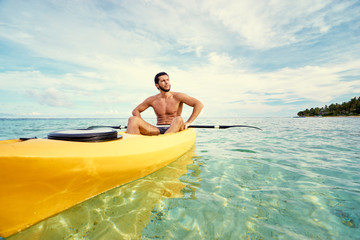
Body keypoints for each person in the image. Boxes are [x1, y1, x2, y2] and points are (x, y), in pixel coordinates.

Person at [126, 72, 203, 135]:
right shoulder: (152, 99)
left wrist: (189, 122)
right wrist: (141, 123)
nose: (166, 83)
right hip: (158, 129)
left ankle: (165, 140)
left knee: (178, 118)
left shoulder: (178, 96)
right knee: (132, 119)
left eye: (167, 80)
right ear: (157, 85)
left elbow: (199, 104)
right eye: (163, 81)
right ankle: (132, 145)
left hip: (175, 126)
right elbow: (135, 111)